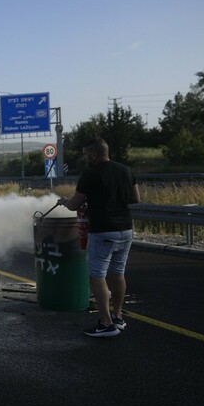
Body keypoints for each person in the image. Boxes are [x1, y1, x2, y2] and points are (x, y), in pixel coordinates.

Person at [58, 138, 140, 338]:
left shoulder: (90, 174)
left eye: (86, 154)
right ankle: (118, 317)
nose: (85, 158)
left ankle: (106, 323)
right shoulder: (125, 170)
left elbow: (74, 205)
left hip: (102, 231)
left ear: (94, 154)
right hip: (125, 229)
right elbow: (135, 198)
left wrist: (65, 202)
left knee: (97, 275)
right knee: (118, 272)